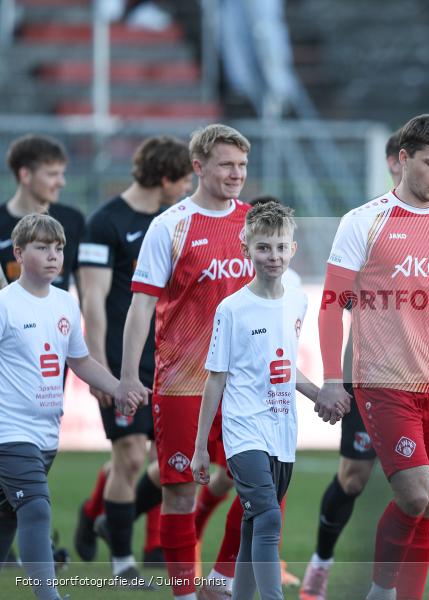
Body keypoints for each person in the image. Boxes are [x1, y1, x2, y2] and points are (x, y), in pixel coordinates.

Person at [302, 131, 429, 600]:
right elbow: (332, 304)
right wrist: (334, 378)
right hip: (378, 381)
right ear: (402, 160)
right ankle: (339, 571)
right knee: (373, 483)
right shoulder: (364, 222)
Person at [116, 123, 256, 600]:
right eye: (226, 165)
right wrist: (129, 375)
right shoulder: (170, 225)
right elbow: (141, 306)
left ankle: (218, 580)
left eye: (242, 165)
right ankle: (185, 594)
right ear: (198, 167)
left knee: (258, 485)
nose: (236, 174)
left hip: (246, 383)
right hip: (183, 382)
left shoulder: (255, 223)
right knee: (179, 491)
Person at [0, 214, 144, 599]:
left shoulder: (65, 303)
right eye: (41, 248)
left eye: (59, 248)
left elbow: (79, 361)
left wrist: (118, 387)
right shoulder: (5, 306)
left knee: (5, 522)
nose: (53, 256)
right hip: (9, 435)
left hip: (46, 436)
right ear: (18, 253)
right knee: (36, 508)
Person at [191, 201, 325, 600]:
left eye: (281, 247)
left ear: (293, 250)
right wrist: (201, 448)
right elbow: (215, 380)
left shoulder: (298, 301)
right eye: (264, 247)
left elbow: (281, 366)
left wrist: (318, 395)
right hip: (244, 431)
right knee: (268, 516)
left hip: (282, 431)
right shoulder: (231, 309)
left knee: (254, 524)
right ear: (246, 248)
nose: (274, 256)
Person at [74, 136, 194, 579]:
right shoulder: (106, 222)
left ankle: (97, 515)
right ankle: (123, 563)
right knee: (128, 457)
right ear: (165, 178)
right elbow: (93, 299)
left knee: (172, 466)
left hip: (173, 362)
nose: (186, 190)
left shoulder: (178, 221)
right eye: (183, 181)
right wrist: (101, 368)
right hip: (124, 360)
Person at [0, 134, 83, 291]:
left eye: (62, 173)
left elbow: (86, 290)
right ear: (25, 175)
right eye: (52, 174)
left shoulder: (72, 220)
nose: (61, 182)